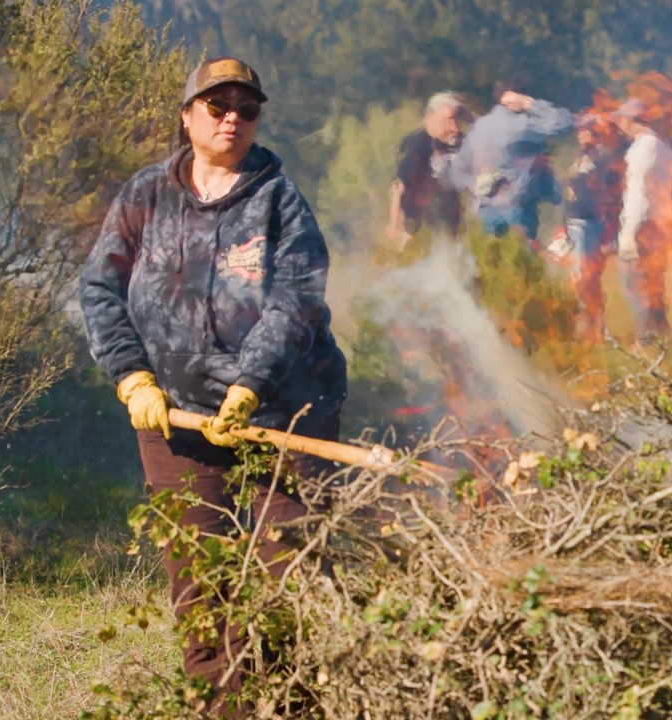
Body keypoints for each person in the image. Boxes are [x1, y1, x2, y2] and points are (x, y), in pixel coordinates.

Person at [78, 56, 348, 715]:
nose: (233, 118)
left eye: (246, 109)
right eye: (217, 105)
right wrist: (132, 377)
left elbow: (297, 304)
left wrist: (251, 383)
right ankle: (219, 709)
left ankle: (291, 708)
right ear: (187, 116)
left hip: (287, 415)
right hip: (178, 422)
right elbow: (98, 288)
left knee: (286, 578)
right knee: (201, 586)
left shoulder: (279, 200)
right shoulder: (146, 195)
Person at [446, 78, 574, 245]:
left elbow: (456, 171)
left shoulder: (479, 128)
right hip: (517, 212)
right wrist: (530, 104)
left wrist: (475, 184)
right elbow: (566, 123)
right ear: (515, 97)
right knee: (518, 266)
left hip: (483, 211)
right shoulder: (521, 127)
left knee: (487, 266)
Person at [552, 113, 627, 342]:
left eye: (592, 131)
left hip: (589, 223)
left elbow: (611, 192)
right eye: (583, 130)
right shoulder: (580, 157)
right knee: (582, 278)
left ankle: (593, 327)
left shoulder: (601, 158)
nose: (586, 134)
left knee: (585, 278)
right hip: (575, 223)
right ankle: (591, 327)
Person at [613, 99, 672, 342]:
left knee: (634, 284)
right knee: (653, 282)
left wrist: (630, 231)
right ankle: (662, 335)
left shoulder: (644, 148)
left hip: (643, 225)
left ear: (632, 120)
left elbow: (639, 193)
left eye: (621, 119)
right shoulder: (663, 147)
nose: (619, 124)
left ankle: (646, 340)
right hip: (658, 223)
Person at [386, 91, 468, 248]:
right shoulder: (415, 145)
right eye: (449, 121)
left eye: (456, 121)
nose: (455, 128)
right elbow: (398, 186)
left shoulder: (457, 143)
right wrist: (394, 224)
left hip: (450, 226)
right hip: (416, 228)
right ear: (431, 117)